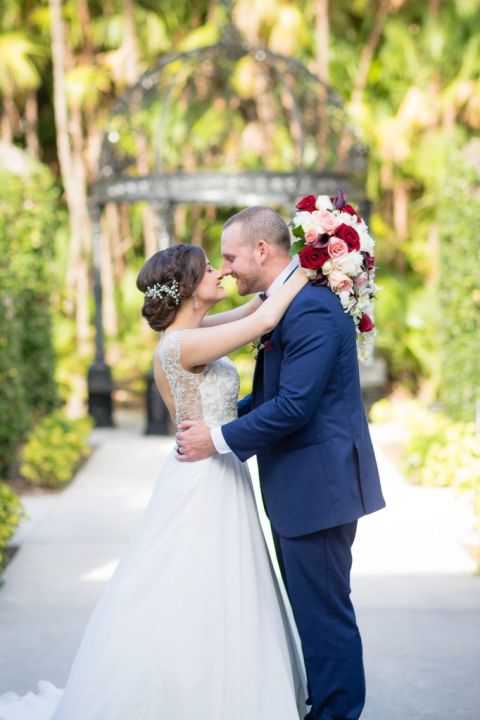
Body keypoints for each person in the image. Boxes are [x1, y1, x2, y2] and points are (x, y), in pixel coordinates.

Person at [0, 241, 309, 720]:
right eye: (210, 268)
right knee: (196, 585)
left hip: (215, 469)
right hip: (204, 479)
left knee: (217, 585)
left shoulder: (191, 332)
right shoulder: (183, 345)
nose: (220, 272)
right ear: (189, 288)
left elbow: (256, 307)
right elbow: (265, 320)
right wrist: (313, 264)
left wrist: (291, 268)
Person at [176, 207, 386, 720]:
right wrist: (219, 419)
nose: (226, 269)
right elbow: (273, 395)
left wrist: (216, 440)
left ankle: (336, 713)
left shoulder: (310, 309)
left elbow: (294, 407)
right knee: (312, 612)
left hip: (320, 489)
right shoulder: (287, 303)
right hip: (301, 488)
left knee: (325, 615)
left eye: (231, 257)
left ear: (261, 250)